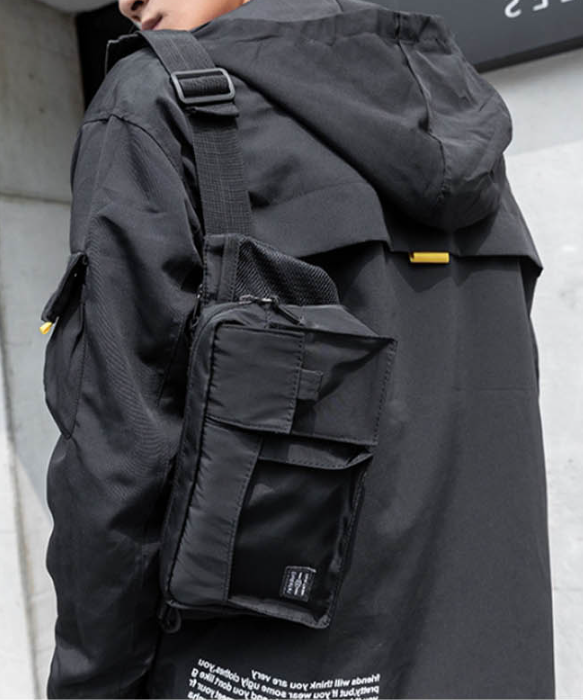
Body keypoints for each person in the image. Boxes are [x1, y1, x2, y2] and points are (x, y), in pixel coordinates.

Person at [42, 0, 555, 698]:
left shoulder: (158, 103)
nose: (126, 2)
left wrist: (90, 687)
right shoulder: (456, 105)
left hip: (261, 673)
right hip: (491, 664)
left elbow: (113, 464)